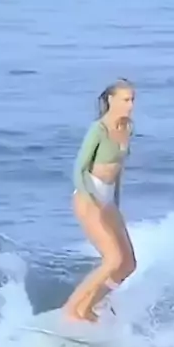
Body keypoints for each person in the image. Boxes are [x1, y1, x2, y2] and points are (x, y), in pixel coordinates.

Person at [62, 78, 137, 324]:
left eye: (132, 100)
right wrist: (92, 200)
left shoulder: (127, 128)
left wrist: (116, 205)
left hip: (107, 199)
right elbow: (79, 169)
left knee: (128, 264)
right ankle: (71, 309)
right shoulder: (99, 129)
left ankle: (89, 306)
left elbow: (119, 171)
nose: (130, 105)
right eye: (125, 100)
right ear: (111, 100)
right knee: (113, 259)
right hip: (88, 196)